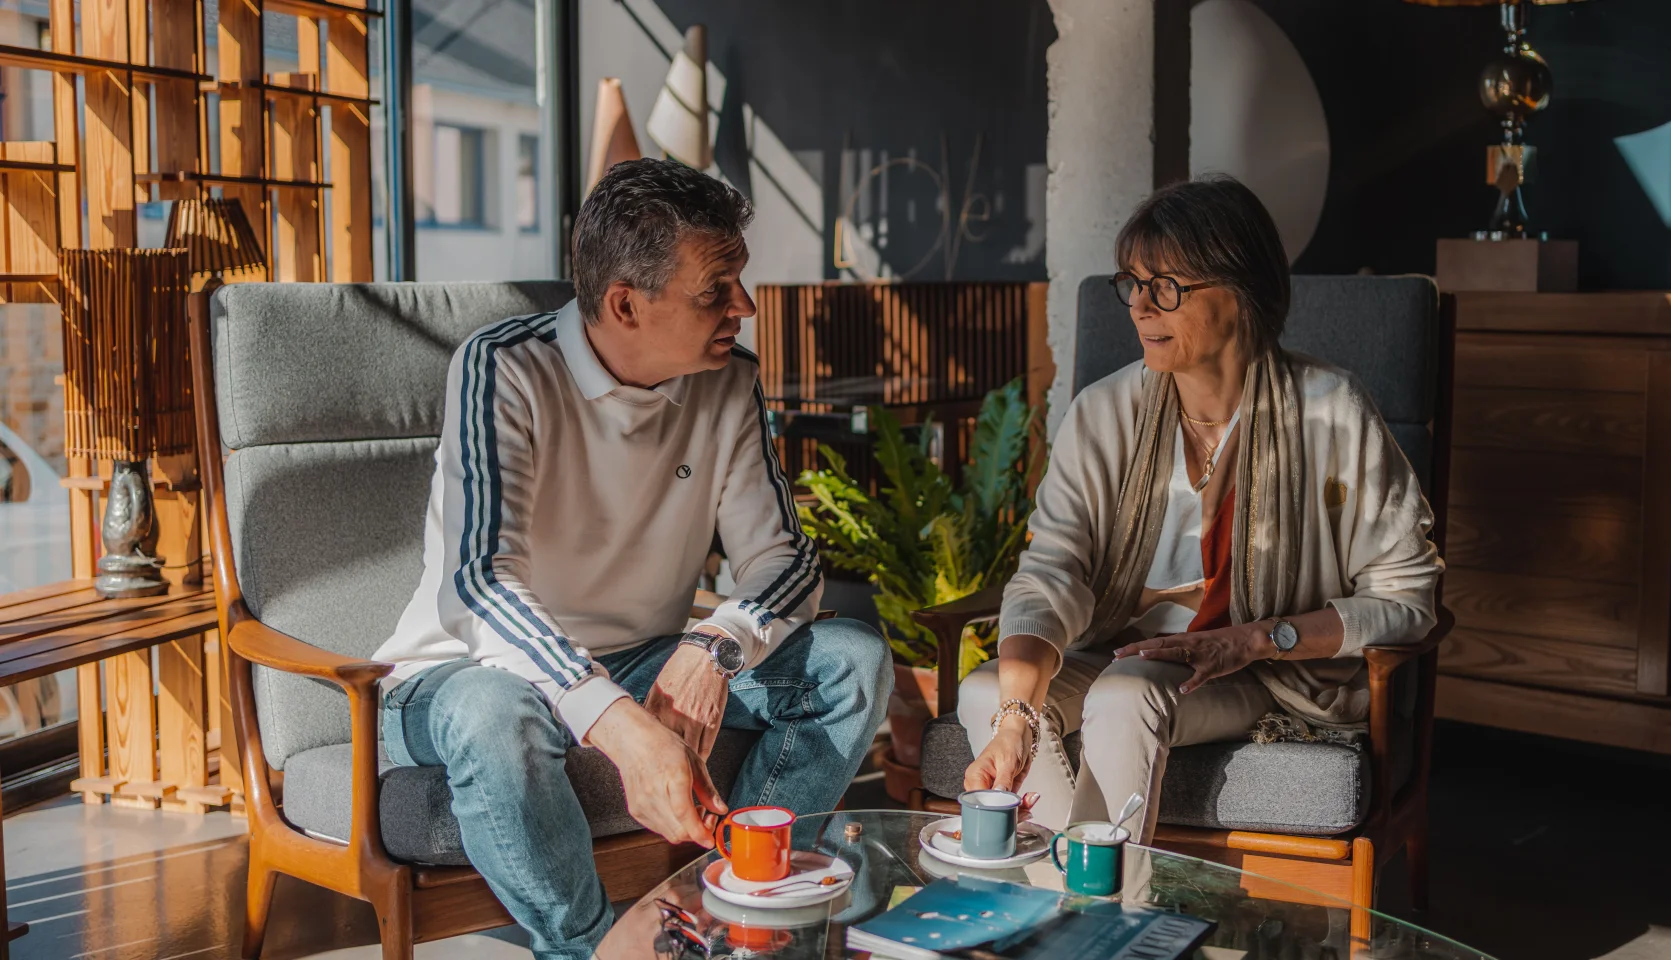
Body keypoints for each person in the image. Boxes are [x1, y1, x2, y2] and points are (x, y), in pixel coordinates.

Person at [373, 158, 892, 959]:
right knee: (491, 712)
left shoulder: (729, 383)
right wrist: (611, 716)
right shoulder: (501, 368)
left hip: (643, 656)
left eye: (740, 283)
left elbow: (784, 562)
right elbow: (480, 579)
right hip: (464, 672)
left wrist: (713, 648)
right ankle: (590, 952)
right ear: (625, 303)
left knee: (850, 661)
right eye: (715, 289)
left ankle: (727, 924)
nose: (743, 308)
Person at [958, 176, 1442, 843]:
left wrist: (1255, 638)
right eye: (1131, 282)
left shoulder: (1331, 412)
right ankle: (1085, 912)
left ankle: (1085, 919)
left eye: (1167, 287)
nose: (1138, 306)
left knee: (1127, 694)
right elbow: (1050, 572)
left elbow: (1409, 599)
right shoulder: (1103, 413)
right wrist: (1016, 716)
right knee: (989, 693)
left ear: (1243, 294)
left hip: (1260, 674)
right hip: (1112, 647)